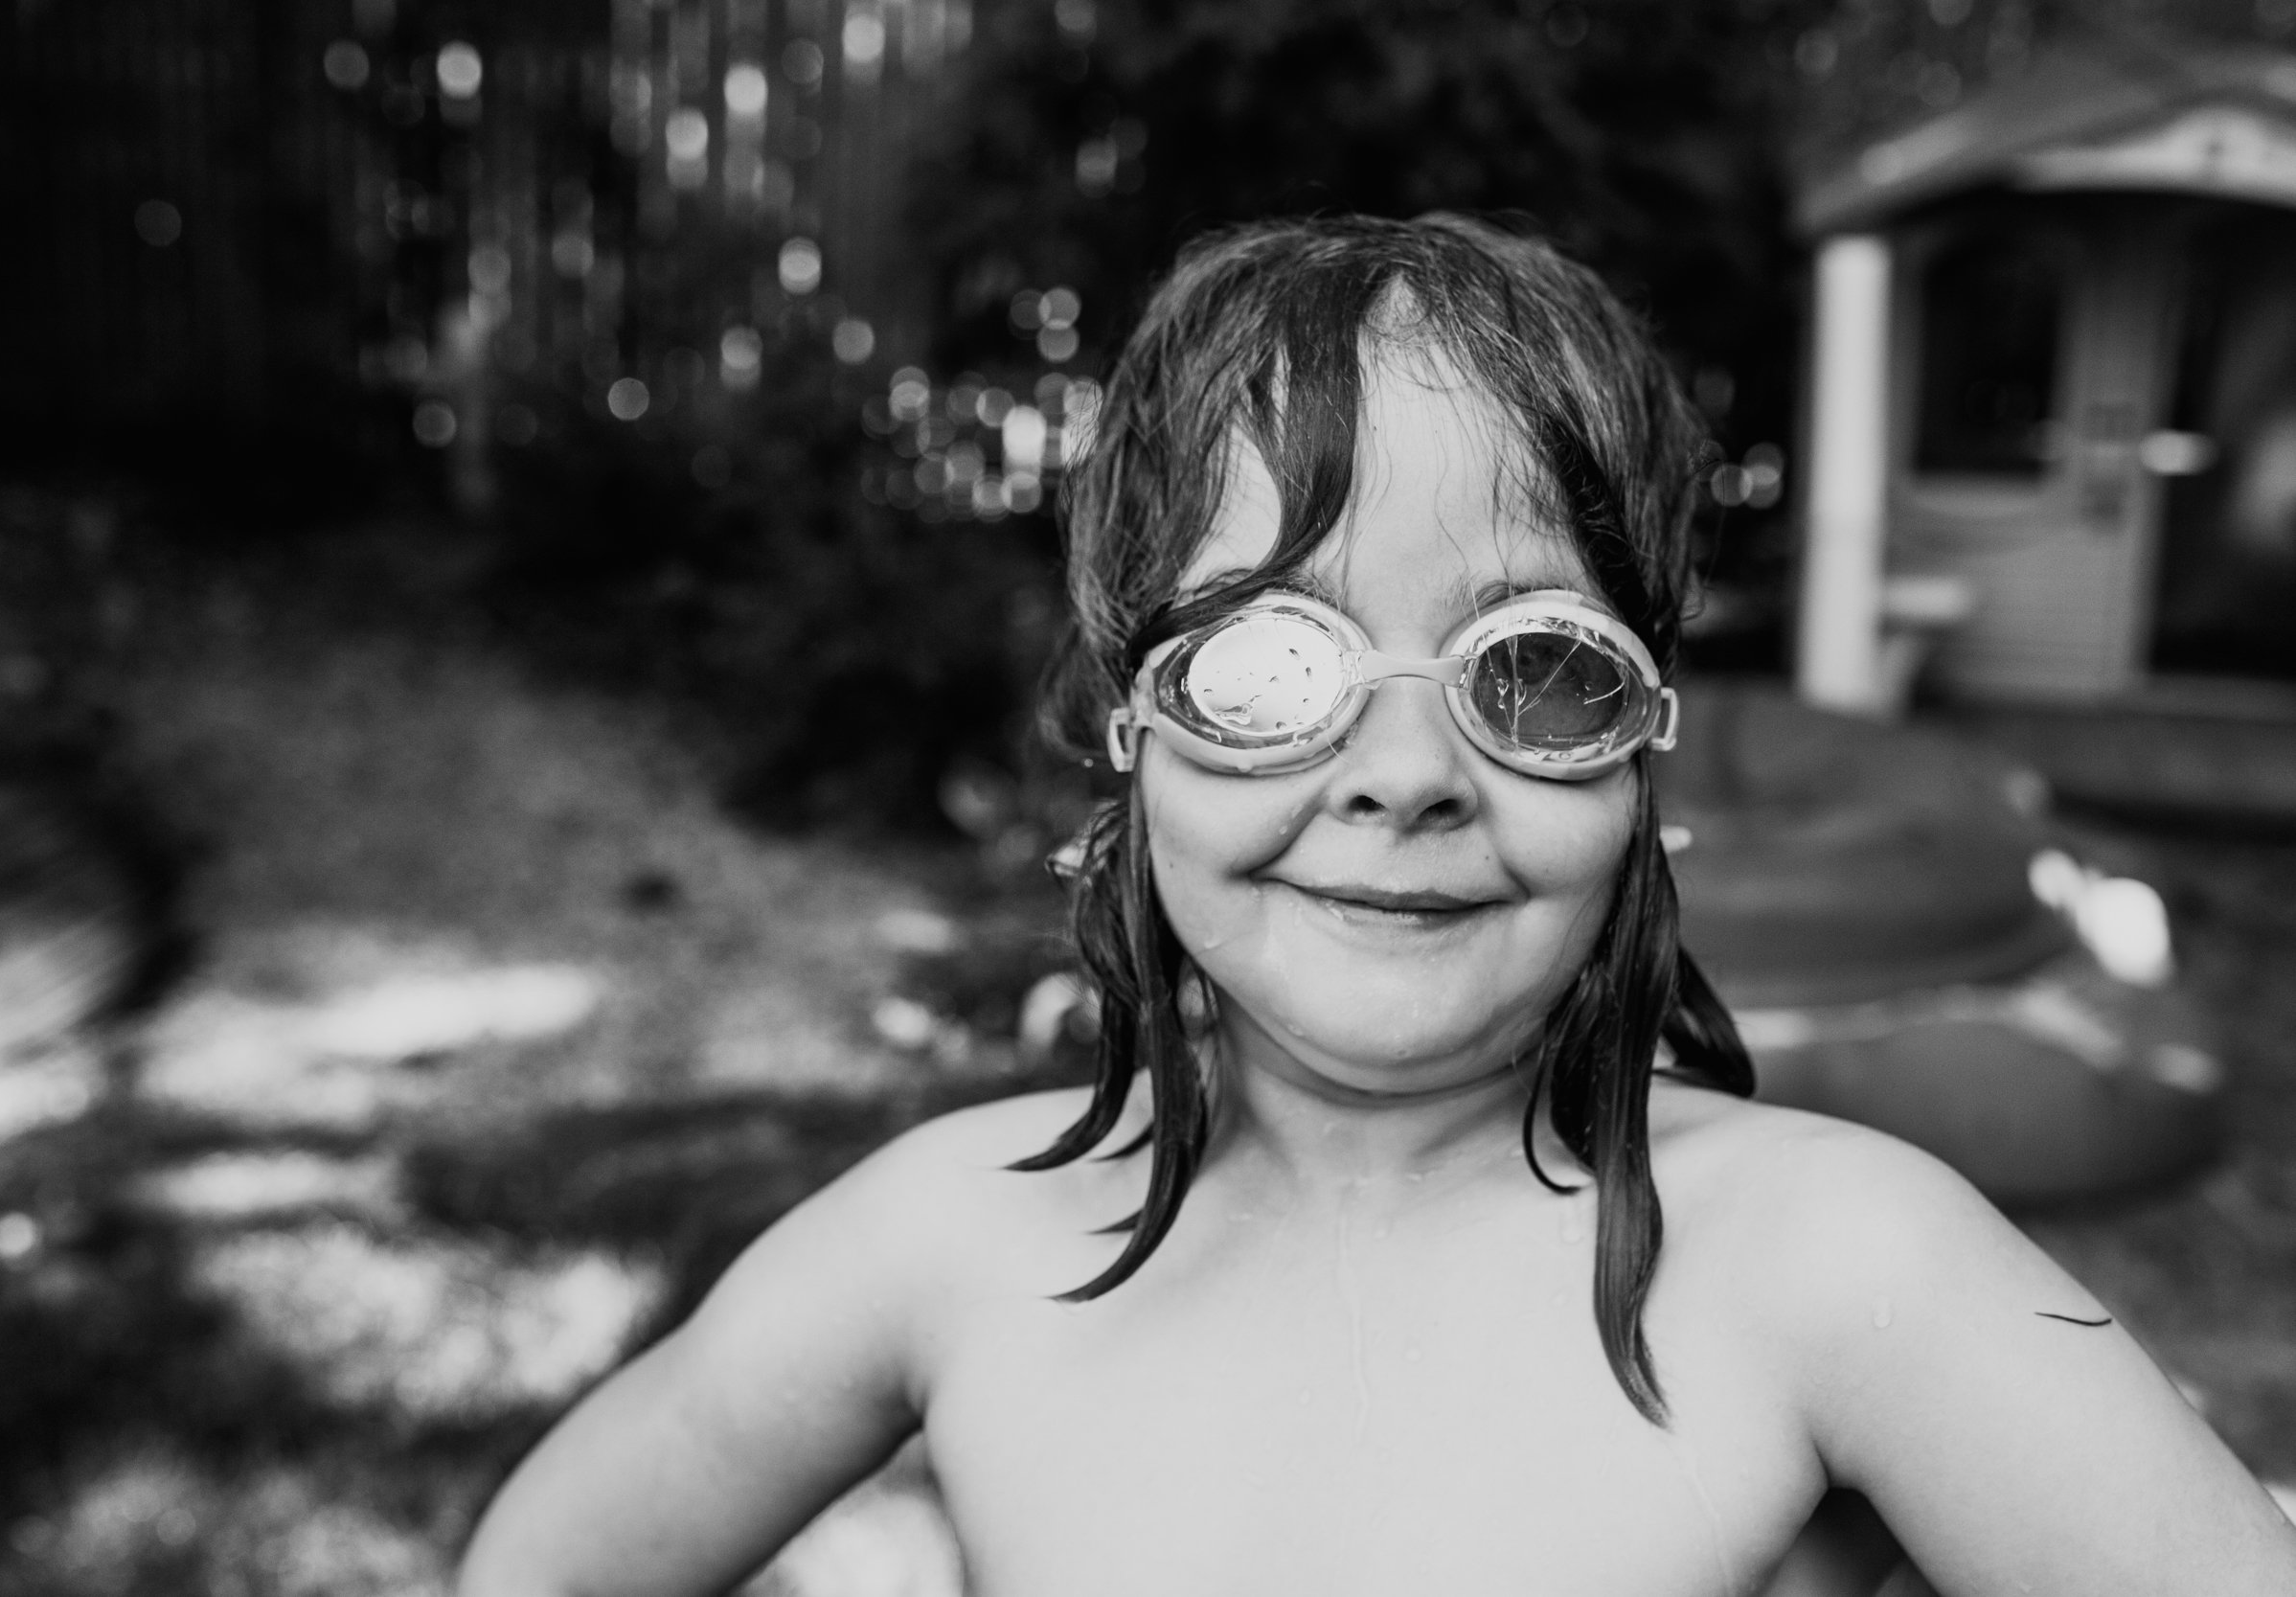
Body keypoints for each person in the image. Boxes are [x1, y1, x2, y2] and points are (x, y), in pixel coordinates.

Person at [457, 215, 2296, 1597]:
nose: (1404, 774)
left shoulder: (1845, 1271)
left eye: (1535, 670)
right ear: (1132, 741)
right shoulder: (947, 1245)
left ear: (1643, 762)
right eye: (1272, 664)